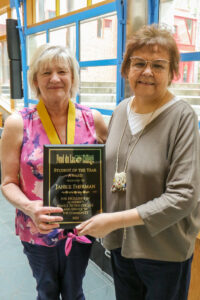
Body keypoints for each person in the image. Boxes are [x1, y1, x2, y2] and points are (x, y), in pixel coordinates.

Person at [76, 24, 200, 300]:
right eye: (139, 63)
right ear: (126, 69)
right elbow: (119, 163)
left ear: (172, 73)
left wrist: (113, 221)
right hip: (121, 244)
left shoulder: (182, 117)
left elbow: (184, 196)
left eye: (158, 65)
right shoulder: (121, 110)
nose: (147, 71)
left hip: (163, 251)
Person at [1, 44, 107, 300]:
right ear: (35, 79)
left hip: (80, 229)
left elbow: (114, 169)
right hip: (36, 228)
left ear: (73, 77)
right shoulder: (18, 123)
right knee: (46, 290)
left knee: (75, 291)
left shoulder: (93, 120)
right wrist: (29, 207)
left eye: (62, 71)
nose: (55, 78)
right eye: (46, 72)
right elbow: (7, 182)